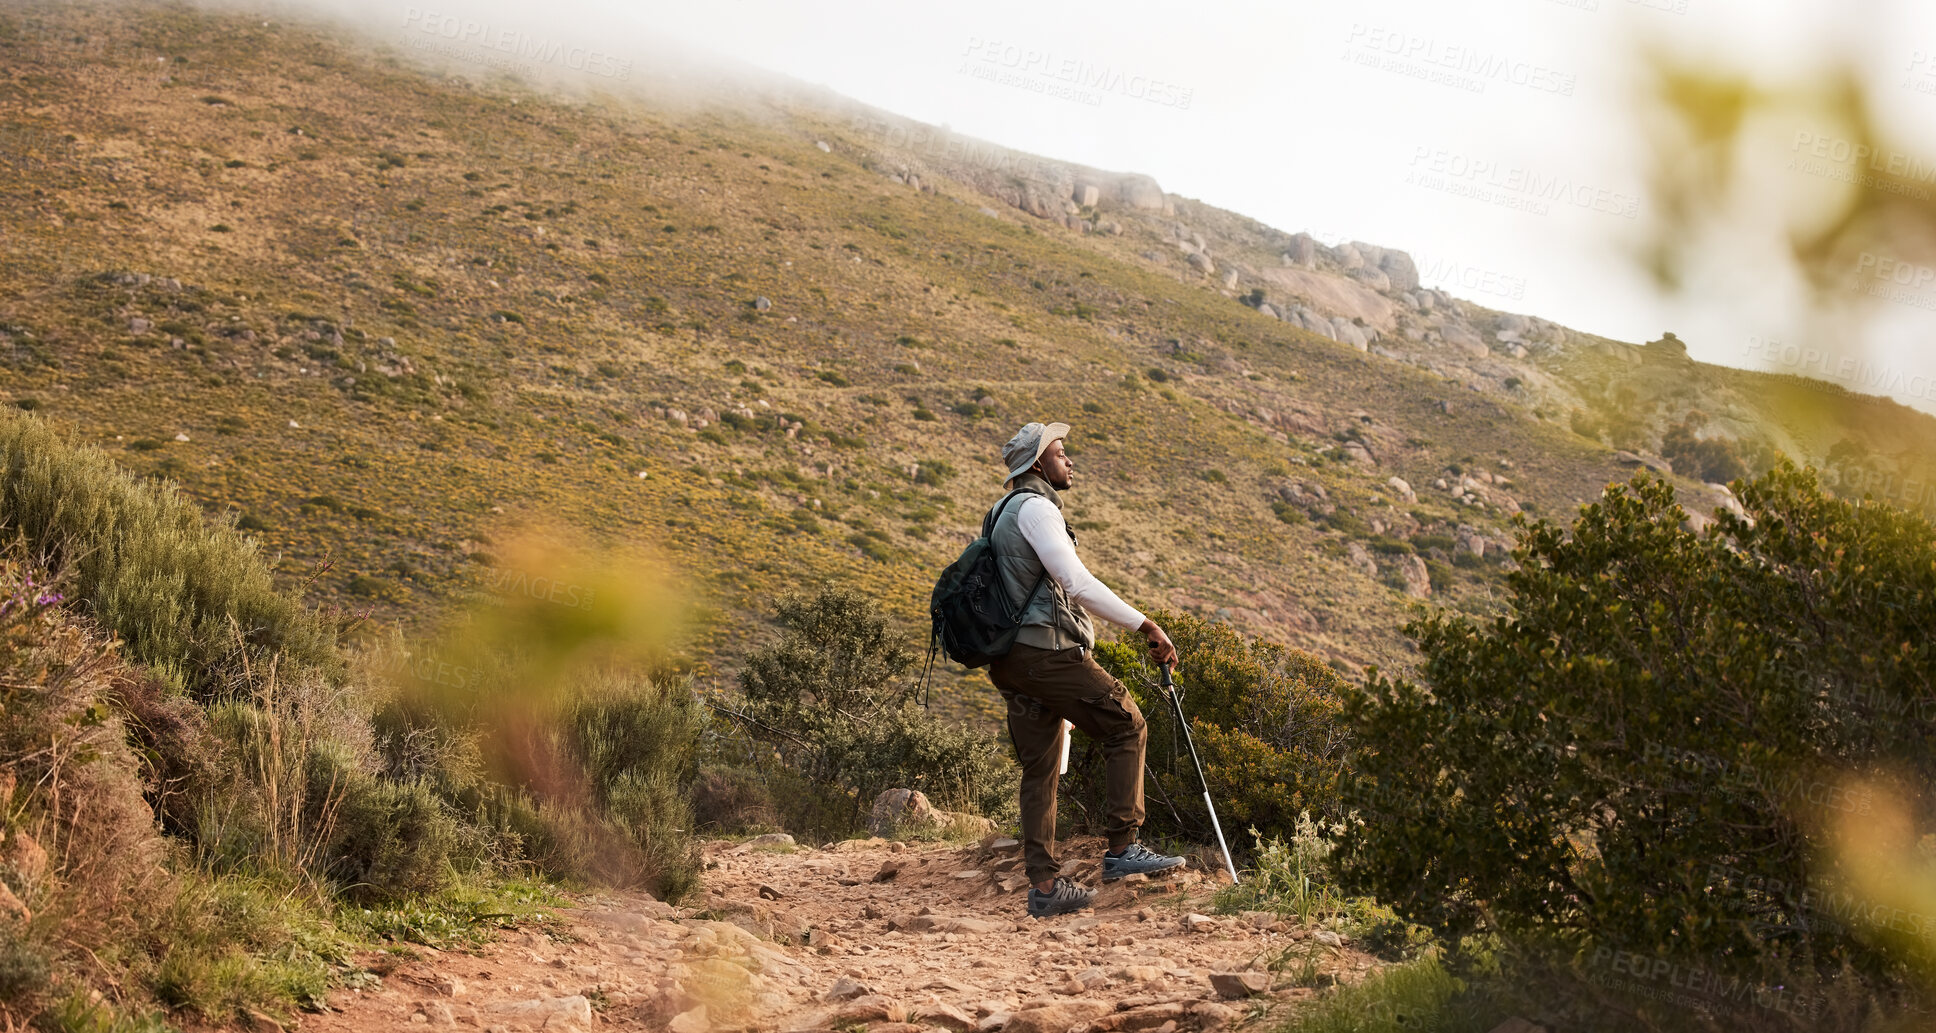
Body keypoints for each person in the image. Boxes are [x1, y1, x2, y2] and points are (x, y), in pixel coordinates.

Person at [986, 421, 1186, 918]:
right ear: (1038, 463)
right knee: (1127, 725)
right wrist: (1146, 625)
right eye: (1060, 453)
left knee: (1042, 767)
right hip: (1047, 653)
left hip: (1010, 660)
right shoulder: (1035, 509)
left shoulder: (999, 513)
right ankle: (1122, 851)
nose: (1069, 460)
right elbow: (1075, 582)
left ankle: (1046, 887)